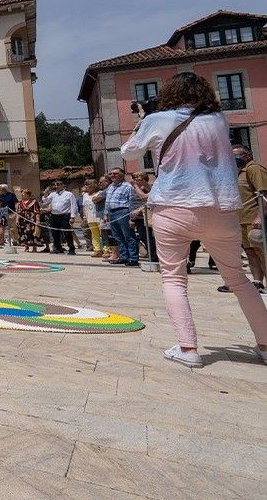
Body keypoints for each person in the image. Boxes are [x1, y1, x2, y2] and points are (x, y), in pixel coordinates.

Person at [121, 71, 267, 367]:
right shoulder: (218, 120)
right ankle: (265, 344)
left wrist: (144, 119)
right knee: (239, 280)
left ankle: (188, 349)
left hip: (174, 205)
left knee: (174, 278)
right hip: (220, 207)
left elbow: (129, 151)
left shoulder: (156, 119)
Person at [224, 145, 266, 294]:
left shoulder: (254, 169)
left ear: (247, 155)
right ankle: (257, 281)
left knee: (262, 253)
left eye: (236, 155)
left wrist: (260, 216)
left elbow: (264, 195)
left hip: (255, 220)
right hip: (243, 220)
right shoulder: (239, 172)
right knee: (251, 253)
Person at [98, 168, 141, 266]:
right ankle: (123, 257)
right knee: (118, 237)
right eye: (111, 174)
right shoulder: (110, 187)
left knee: (128, 236)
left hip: (123, 212)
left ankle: (133, 258)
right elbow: (107, 201)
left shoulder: (127, 186)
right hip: (111, 213)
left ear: (122, 175)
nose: (112, 175)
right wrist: (105, 214)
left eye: (115, 174)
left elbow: (132, 203)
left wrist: (132, 218)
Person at [82, 180, 103, 258]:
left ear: (94, 185)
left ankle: (107, 249)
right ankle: (97, 250)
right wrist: (84, 216)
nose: (86, 186)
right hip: (90, 216)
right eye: (85, 184)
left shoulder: (100, 193)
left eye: (88, 184)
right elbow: (84, 206)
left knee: (103, 233)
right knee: (94, 234)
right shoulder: (85, 195)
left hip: (99, 216)